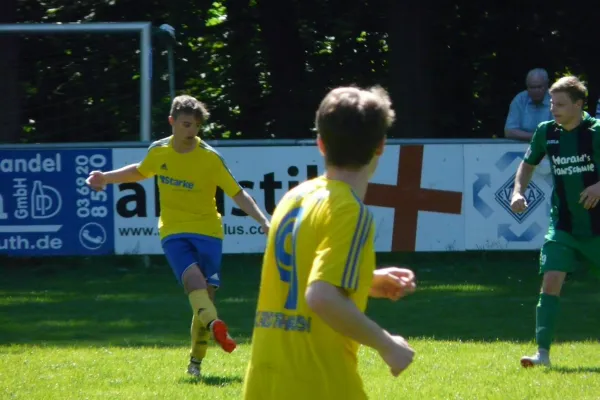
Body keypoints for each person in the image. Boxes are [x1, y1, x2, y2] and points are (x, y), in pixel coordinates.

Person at [243, 85, 417, 400]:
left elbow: (299, 272)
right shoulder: (350, 210)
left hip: (265, 383)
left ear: (321, 144)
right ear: (381, 146)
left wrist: (367, 280)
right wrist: (387, 344)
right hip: (319, 383)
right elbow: (321, 296)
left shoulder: (295, 198)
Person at [85, 95, 270, 378]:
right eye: (185, 124)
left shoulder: (209, 158)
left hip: (209, 232)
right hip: (173, 230)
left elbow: (237, 192)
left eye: (196, 126)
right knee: (192, 280)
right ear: (172, 122)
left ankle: (197, 359)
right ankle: (215, 325)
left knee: (204, 297)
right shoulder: (159, 152)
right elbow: (140, 171)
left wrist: (262, 220)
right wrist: (105, 178)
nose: (191, 131)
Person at [511, 76, 600, 368]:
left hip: (597, 229)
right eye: (551, 102)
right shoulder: (545, 133)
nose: (553, 108)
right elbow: (528, 164)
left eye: (560, 103)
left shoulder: (596, 132)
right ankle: (542, 354)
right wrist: (517, 191)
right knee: (550, 282)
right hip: (563, 226)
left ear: (579, 104)